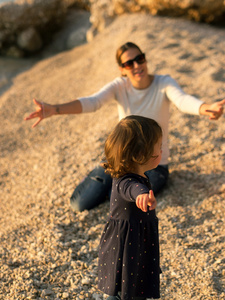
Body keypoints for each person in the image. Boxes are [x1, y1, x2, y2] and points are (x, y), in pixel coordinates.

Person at [24, 42, 225, 212]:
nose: (137, 65)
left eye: (140, 59)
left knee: (123, 202)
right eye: (129, 63)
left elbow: (182, 100)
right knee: (79, 203)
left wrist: (204, 108)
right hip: (120, 159)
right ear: (122, 69)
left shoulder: (164, 83)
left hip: (153, 166)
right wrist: (55, 109)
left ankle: (116, 184)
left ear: (145, 59)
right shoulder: (120, 86)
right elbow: (92, 102)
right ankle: (108, 179)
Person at [98, 115, 162, 300]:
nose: (162, 149)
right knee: (123, 283)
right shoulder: (125, 181)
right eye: (159, 146)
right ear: (141, 154)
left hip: (137, 239)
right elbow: (132, 189)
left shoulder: (136, 175)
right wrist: (142, 195)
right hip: (126, 244)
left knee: (137, 278)